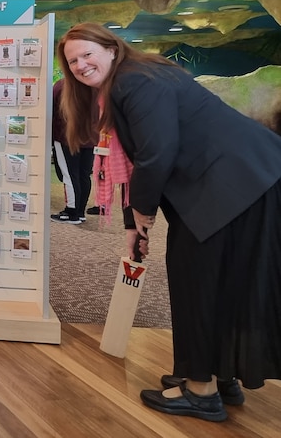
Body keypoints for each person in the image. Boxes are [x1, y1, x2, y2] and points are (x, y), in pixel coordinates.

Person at [56, 22, 281, 423]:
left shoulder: (134, 82)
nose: (80, 65)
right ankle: (215, 374)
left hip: (231, 186)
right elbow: (140, 156)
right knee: (220, 281)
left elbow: (157, 153)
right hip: (243, 183)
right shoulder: (137, 77)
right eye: (73, 60)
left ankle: (200, 391)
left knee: (195, 280)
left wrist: (142, 213)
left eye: (87, 54)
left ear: (111, 48)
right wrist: (133, 223)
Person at [50, 78, 95, 224]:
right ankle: (80, 211)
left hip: (66, 137)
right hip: (89, 138)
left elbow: (51, 111)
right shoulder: (93, 84)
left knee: (69, 175)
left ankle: (71, 212)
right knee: (84, 175)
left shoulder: (61, 85)